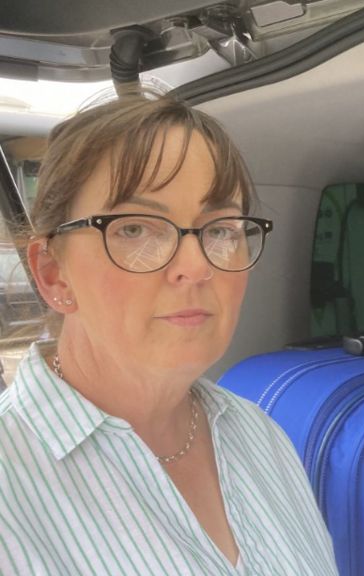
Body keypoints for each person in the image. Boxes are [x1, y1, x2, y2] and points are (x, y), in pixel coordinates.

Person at [0, 95, 339, 575]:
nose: (196, 266)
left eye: (220, 230)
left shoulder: (260, 434)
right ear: (54, 274)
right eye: (136, 229)